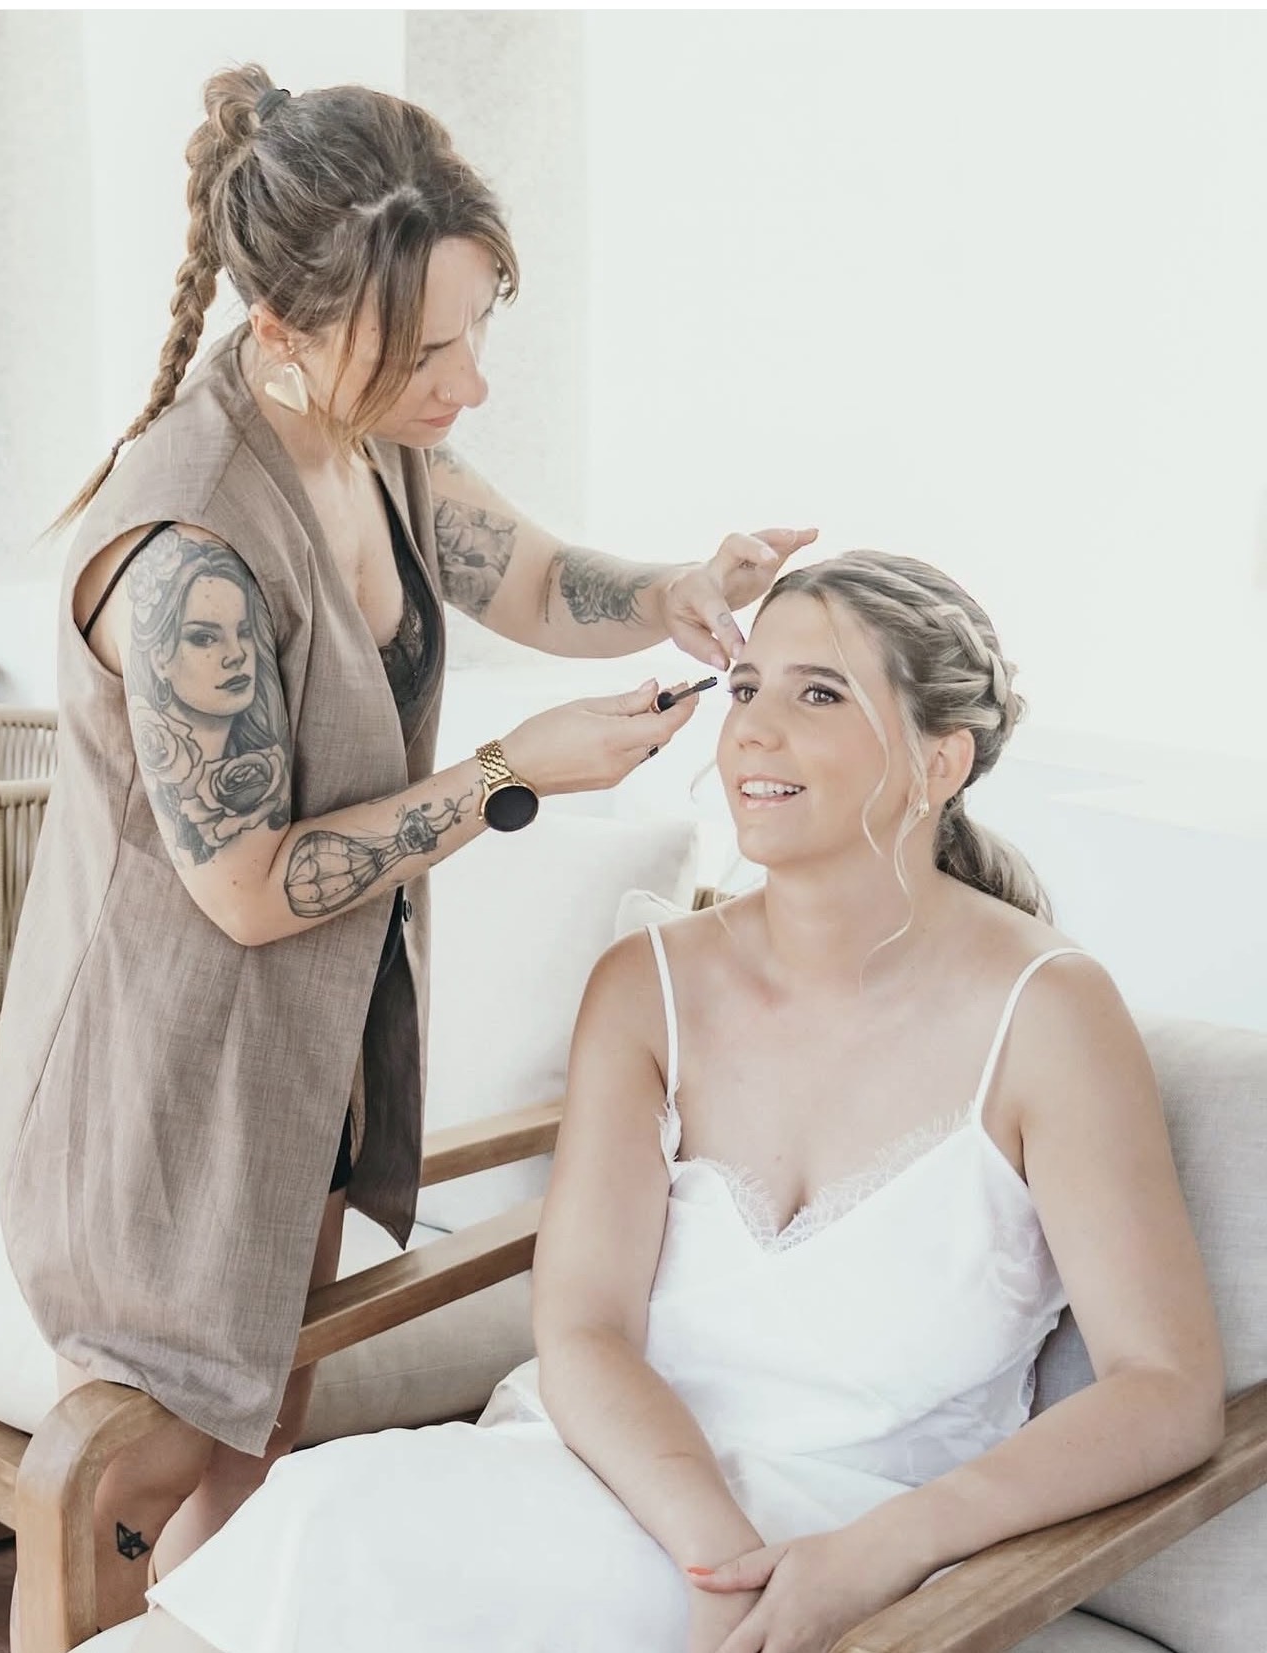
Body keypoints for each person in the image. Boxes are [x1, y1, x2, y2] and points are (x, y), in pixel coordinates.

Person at [0, 63, 817, 1635]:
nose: (470, 382)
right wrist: (511, 774)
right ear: (284, 331)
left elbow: (529, 577)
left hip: (295, 1069)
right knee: (124, 1495)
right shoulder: (189, 554)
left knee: (255, 1459)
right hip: (157, 1094)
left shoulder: (370, 436)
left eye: (477, 329)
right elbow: (245, 888)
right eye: (432, 350)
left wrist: (679, 591)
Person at [132, 550, 1223, 1653]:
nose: (752, 731)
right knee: (330, 1514)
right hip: (616, 1485)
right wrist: (713, 1554)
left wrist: (886, 1550)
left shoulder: (1049, 1015)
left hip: (863, 1544)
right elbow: (585, 1327)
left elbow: (1166, 1387)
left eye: (819, 694)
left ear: (941, 760)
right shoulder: (648, 985)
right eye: (746, 688)